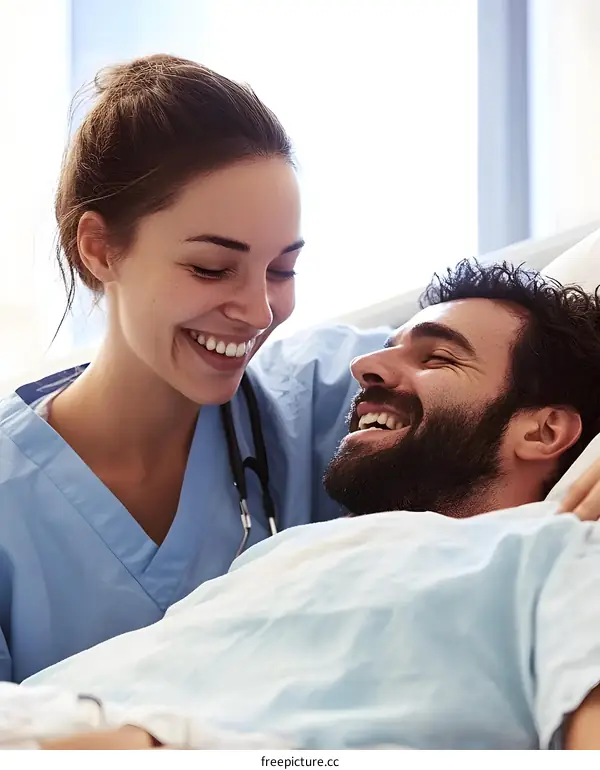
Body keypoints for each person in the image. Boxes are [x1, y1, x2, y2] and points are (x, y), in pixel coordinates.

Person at [6, 261, 600, 750]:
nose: (364, 366)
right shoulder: (274, 557)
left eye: (436, 358)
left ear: (544, 431)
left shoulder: (559, 560)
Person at [0, 54, 388, 683]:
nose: (259, 311)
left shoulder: (330, 403)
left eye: (282, 269)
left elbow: (516, 363)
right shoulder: (11, 504)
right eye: (211, 268)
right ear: (99, 248)